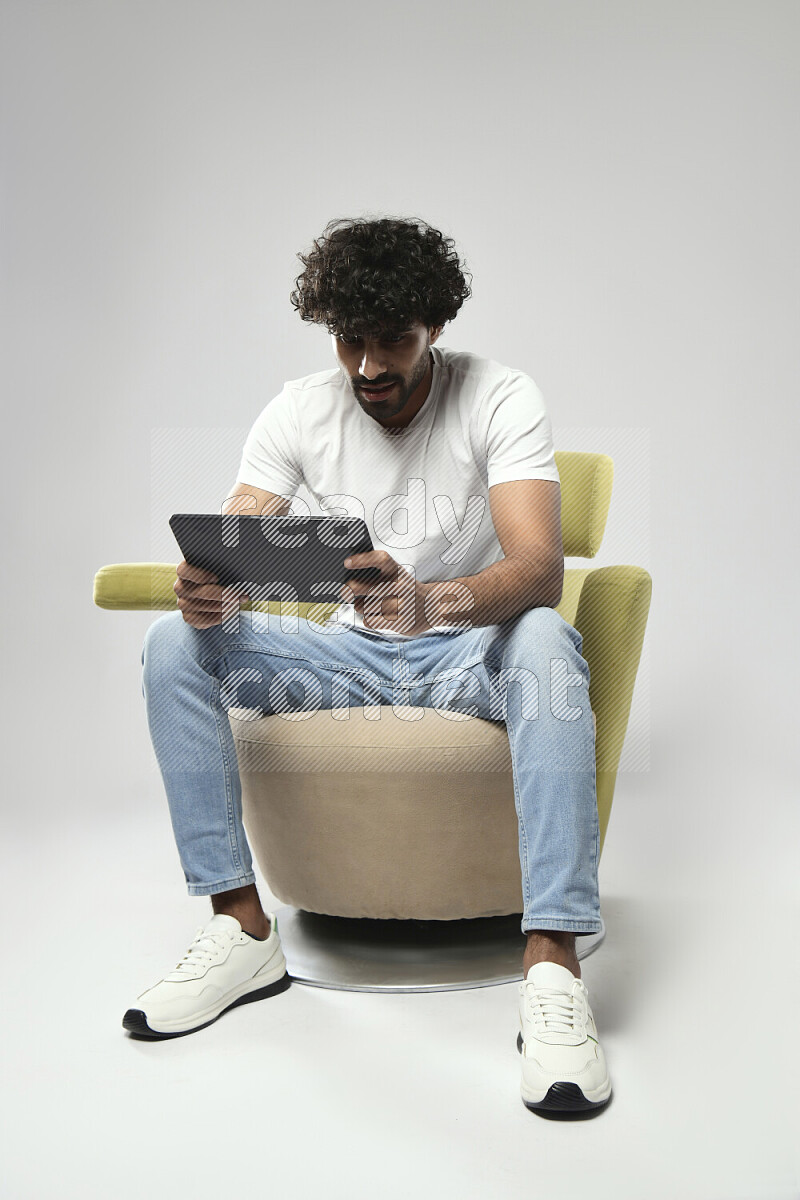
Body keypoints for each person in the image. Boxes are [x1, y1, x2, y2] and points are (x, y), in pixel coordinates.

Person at [128, 215, 612, 1116]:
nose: (369, 367)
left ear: (435, 327)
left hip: (470, 650)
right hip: (348, 652)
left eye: (393, 340)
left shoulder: (500, 396)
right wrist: (215, 585)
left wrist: (430, 602)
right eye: (351, 341)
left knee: (547, 639)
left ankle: (552, 962)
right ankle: (240, 927)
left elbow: (539, 569)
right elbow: (238, 533)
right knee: (171, 643)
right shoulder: (298, 408)